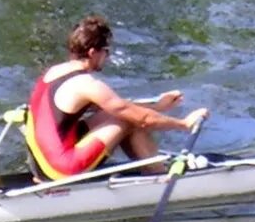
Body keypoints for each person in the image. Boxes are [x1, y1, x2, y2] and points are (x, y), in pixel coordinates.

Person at [24, 15, 208, 181]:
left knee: (121, 115)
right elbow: (141, 119)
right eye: (106, 51)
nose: (107, 57)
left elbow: (118, 108)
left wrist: (158, 106)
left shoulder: (54, 72)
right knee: (130, 121)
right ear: (92, 53)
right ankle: (158, 178)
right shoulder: (86, 85)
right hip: (59, 169)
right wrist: (184, 123)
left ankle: (153, 170)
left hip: (39, 163)